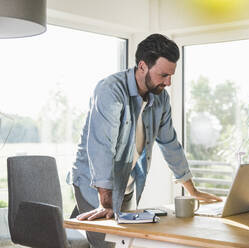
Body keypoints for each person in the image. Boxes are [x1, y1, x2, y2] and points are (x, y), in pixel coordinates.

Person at [67, 33, 222, 248]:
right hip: (96, 184)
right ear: (142, 66)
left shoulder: (161, 98)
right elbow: (101, 146)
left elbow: (170, 144)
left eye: (171, 75)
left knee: (125, 242)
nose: (168, 82)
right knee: (109, 242)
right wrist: (106, 201)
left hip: (128, 184)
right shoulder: (110, 90)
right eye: (163, 75)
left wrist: (192, 190)